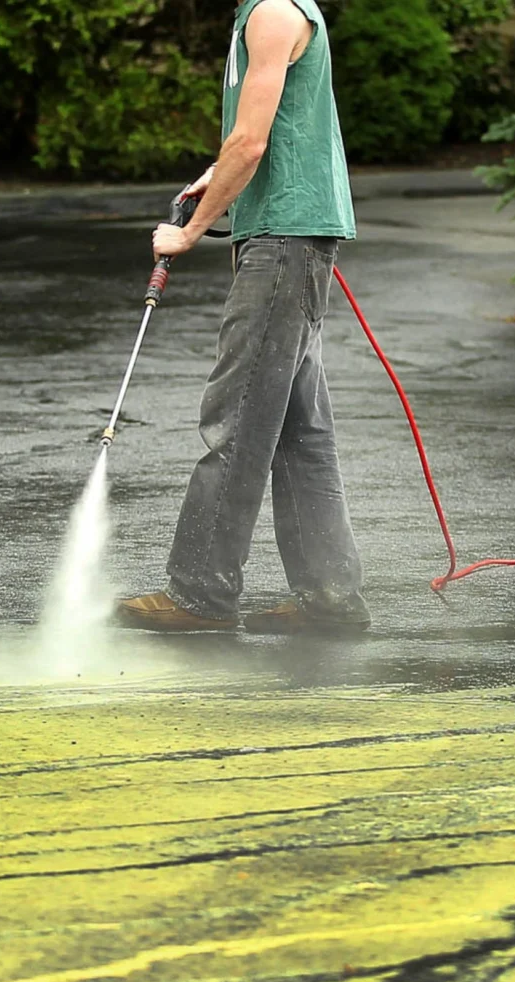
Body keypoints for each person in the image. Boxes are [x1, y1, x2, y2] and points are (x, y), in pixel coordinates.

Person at [117, 0, 370, 634]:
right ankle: (331, 598)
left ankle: (200, 594)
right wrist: (217, 174)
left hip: (283, 240)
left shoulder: (274, 13)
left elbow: (253, 142)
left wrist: (191, 232)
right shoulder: (262, 13)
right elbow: (259, 135)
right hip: (290, 236)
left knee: (239, 418)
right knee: (297, 430)